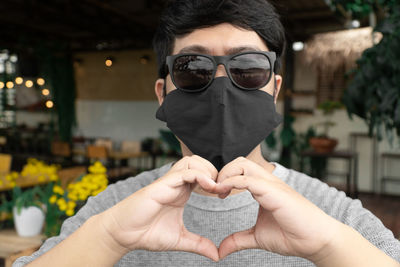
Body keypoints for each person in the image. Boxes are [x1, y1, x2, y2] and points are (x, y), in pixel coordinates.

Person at [14, 0, 400, 266]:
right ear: (163, 91)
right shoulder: (115, 209)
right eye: (192, 68)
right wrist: (109, 238)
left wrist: (329, 246)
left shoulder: (331, 213)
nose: (221, 91)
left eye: (247, 68)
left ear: (275, 89)